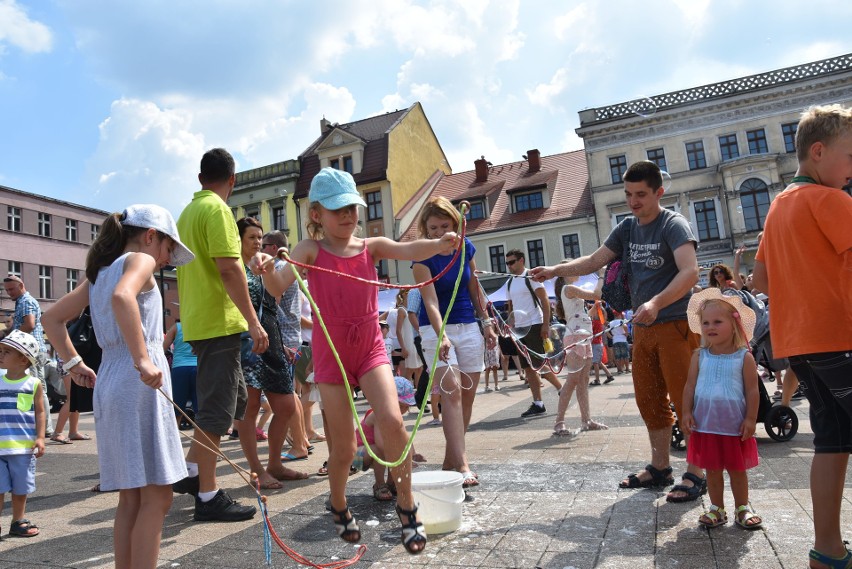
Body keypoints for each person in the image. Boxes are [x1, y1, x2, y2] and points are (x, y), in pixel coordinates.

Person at [262, 167, 458, 553]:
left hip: (369, 344)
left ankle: (407, 505)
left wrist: (438, 245)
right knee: (345, 449)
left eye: (352, 208)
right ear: (316, 214)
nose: (349, 216)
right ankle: (337, 502)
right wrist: (267, 269)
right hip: (331, 350)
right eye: (338, 211)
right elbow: (277, 285)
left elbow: (409, 249)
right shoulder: (309, 250)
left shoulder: (371, 246)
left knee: (393, 420)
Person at [531, 160, 702, 501]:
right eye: (628, 194)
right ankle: (660, 467)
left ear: (658, 193)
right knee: (649, 399)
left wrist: (655, 302)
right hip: (644, 328)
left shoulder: (674, 225)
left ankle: (697, 473)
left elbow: (690, 272)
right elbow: (594, 261)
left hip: (676, 324)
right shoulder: (626, 229)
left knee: (687, 400)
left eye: (641, 194)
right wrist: (554, 270)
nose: (633, 201)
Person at [42, 204, 194, 568]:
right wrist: (143, 358)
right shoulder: (138, 260)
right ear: (150, 236)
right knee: (157, 497)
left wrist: (74, 362)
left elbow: (51, 318)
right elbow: (123, 297)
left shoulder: (98, 274)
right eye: (167, 250)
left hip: (112, 378)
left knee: (132, 497)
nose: (165, 261)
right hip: (137, 380)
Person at [751, 104, 852, 568]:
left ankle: (827, 550)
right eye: (850, 156)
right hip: (841, 336)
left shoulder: (778, 207)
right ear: (818, 151)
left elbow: (761, 279)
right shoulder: (832, 201)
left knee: (831, 440)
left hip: (801, 346)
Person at [171, 148, 267, 522]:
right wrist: (254, 321)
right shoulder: (218, 210)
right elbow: (228, 269)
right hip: (218, 323)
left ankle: (193, 474)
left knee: (234, 399)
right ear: (233, 179)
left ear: (200, 178)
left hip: (198, 322)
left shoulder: (188, 213)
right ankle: (208, 497)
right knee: (216, 411)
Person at [413, 196, 497, 489]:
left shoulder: (466, 247)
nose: (438, 233)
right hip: (436, 330)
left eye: (444, 226)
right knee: (452, 395)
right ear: (425, 228)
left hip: (469, 326)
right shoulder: (422, 255)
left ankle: (451, 460)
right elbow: (431, 302)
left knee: (468, 396)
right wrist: (442, 335)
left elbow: (474, 288)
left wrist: (486, 323)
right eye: (433, 227)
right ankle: (462, 464)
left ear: (456, 224)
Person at [234, 216, 307, 490]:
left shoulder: (264, 265)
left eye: (259, 237)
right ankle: (256, 470)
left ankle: (274, 463)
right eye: (251, 237)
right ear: (238, 239)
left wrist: (281, 343)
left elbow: (273, 301)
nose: (257, 242)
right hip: (248, 341)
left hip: (272, 338)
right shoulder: (234, 267)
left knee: (286, 407)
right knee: (250, 408)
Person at [680, 289, 762, 530]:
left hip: (733, 425)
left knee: (737, 470)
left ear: (734, 324)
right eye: (705, 322)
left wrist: (751, 419)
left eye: (717, 321)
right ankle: (717, 508)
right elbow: (689, 386)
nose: (710, 327)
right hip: (705, 425)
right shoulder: (700, 356)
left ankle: (742, 508)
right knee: (712, 470)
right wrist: (685, 412)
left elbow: (752, 391)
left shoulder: (743, 357)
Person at [504, 249, 562, 417]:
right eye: (507, 263)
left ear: (521, 260)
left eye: (512, 262)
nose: (509, 266)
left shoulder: (532, 277)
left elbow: (545, 301)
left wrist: (545, 325)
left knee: (540, 365)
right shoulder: (510, 282)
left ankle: (562, 389)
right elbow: (511, 306)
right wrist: (510, 323)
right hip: (519, 329)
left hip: (535, 325)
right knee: (528, 368)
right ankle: (538, 403)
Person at [0, 330, 46, 538]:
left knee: (20, 488)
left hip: (22, 447)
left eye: (7, 352)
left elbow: (40, 412)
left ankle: (18, 521)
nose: (1, 354)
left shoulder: (33, 384)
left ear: (23, 359)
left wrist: (40, 437)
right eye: (1, 350)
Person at [552, 273, 607, 435]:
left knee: (583, 380)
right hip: (575, 337)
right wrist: (602, 276)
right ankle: (559, 423)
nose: (578, 271)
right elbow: (597, 293)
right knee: (573, 380)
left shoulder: (571, 292)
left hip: (584, 336)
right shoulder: (569, 288)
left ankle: (586, 420)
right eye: (574, 269)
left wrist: (592, 309)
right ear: (566, 273)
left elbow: (580, 315)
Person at [355, 376, 425, 501]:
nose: (404, 410)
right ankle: (379, 484)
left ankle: (391, 483)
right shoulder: (378, 414)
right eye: (401, 406)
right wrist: (401, 456)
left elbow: (405, 439)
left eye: (406, 407)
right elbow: (381, 445)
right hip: (356, 457)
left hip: (370, 454)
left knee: (395, 451)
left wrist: (412, 454)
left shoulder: (395, 416)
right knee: (385, 451)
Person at [2, 275, 53, 437]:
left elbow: (29, 324)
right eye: (7, 290)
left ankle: (45, 428)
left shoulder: (26, 301)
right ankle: (37, 425)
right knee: (31, 386)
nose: (9, 293)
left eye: (11, 289)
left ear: (21, 285)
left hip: (30, 351)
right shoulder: (23, 301)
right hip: (30, 350)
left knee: (36, 387)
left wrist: (11, 339)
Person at [163, 320, 197, 430]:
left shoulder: (176, 327)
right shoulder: (201, 324)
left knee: (177, 405)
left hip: (179, 369)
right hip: (199, 368)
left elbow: (162, 348)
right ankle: (201, 441)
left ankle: (174, 438)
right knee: (200, 409)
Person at [588, 301, 615, 386]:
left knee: (595, 362)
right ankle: (609, 375)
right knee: (598, 362)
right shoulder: (600, 322)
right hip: (598, 343)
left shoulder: (594, 323)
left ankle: (597, 379)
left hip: (595, 344)